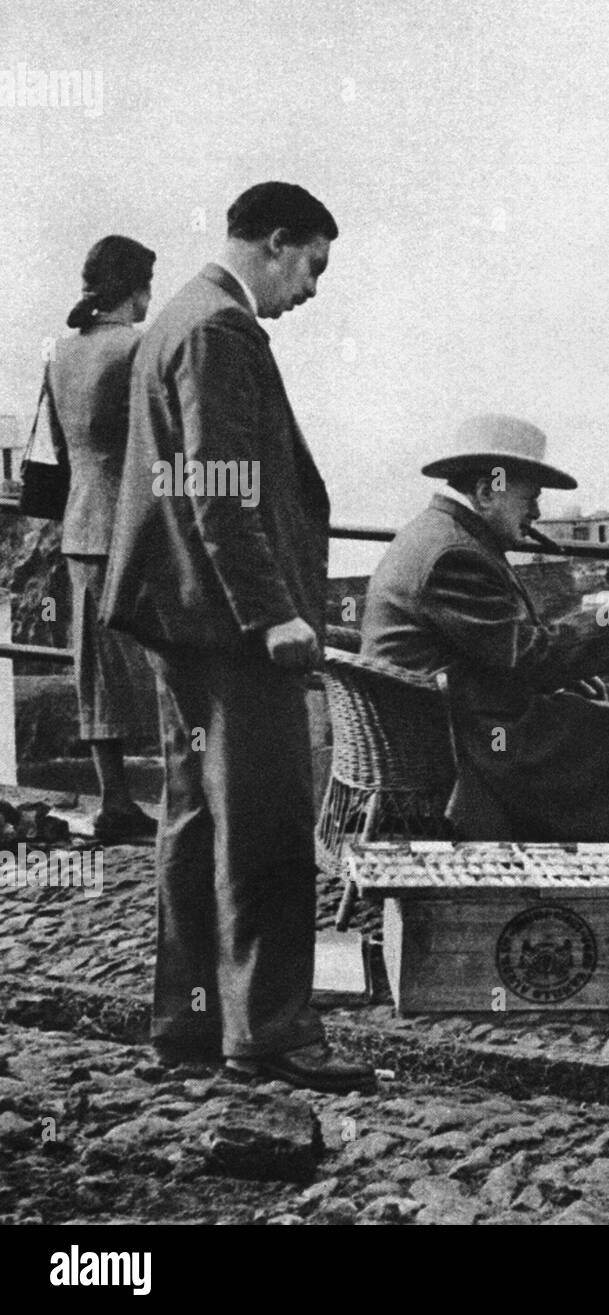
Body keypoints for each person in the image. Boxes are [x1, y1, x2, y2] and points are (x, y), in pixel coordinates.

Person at [102, 182, 374, 1094]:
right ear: (275, 240)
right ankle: (273, 1031)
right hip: (231, 629)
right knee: (264, 825)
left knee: (194, 820)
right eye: (312, 266)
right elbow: (221, 488)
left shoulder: (176, 317)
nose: (311, 290)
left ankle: (192, 1015)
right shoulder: (219, 328)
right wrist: (274, 613)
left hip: (182, 618)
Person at [361, 413, 609, 841]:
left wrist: (559, 680)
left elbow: (497, 650)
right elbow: (525, 655)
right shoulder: (455, 553)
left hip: (440, 721)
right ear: (486, 491)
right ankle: (595, 886)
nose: (536, 512)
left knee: (602, 728)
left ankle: (586, 875)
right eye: (528, 498)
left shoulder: (444, 536)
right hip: (455, 743)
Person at [45, 235, 159, 842]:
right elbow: (159, 444)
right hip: (134, 528)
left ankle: (115, 800)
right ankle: (192, 799)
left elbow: (60, 452)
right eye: (147, 285)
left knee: (96, 671)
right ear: (133, 288)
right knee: (167, 663)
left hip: (81, 525)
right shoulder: (137, 349)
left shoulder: (63, 354)